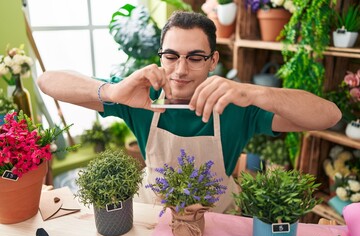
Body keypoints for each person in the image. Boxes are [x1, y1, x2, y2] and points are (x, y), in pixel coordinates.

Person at [37, 11, 341, 213]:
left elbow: (329, 115)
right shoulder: (140, 94)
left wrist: (256, 92)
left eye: (196, 58)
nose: (180, 70)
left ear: (213, 60)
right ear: (161, 55)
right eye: (171, 56)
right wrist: (113, 92)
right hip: (153, 218)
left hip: (218, 221)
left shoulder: (236, 103)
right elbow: (47, 81)